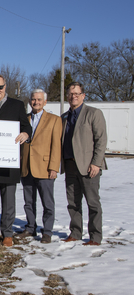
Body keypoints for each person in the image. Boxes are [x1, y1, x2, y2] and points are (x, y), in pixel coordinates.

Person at [0, 74, 32, 247]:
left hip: (8, 159)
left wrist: (26, 133)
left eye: (0, 87)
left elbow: (26, 126)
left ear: (5, 87)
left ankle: (7, 232)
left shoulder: (17, 105)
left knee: (8, 199)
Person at [61, 82, 107, 246]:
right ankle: (75, 232)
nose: (73, 96)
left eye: (76, 93)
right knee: (73, 203)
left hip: (88, 166)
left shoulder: (93, 113)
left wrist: (96, 163)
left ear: (83, 96)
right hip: (70, 165)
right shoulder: (64, 117)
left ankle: (95, 236)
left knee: (93, 202)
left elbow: (101, 141)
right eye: (70, 94)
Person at [17, 89, 62, 244]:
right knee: (28, 202)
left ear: (45, 102)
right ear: (30, 101)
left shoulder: (54, 120)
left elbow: (57, 146)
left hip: (45, 167)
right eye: (33, 99)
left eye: (39, 99)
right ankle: (30, 227)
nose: (36, 102)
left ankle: (47, 231)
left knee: (47, 202)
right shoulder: (25, 119)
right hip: (26, 166)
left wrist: (54, 167)